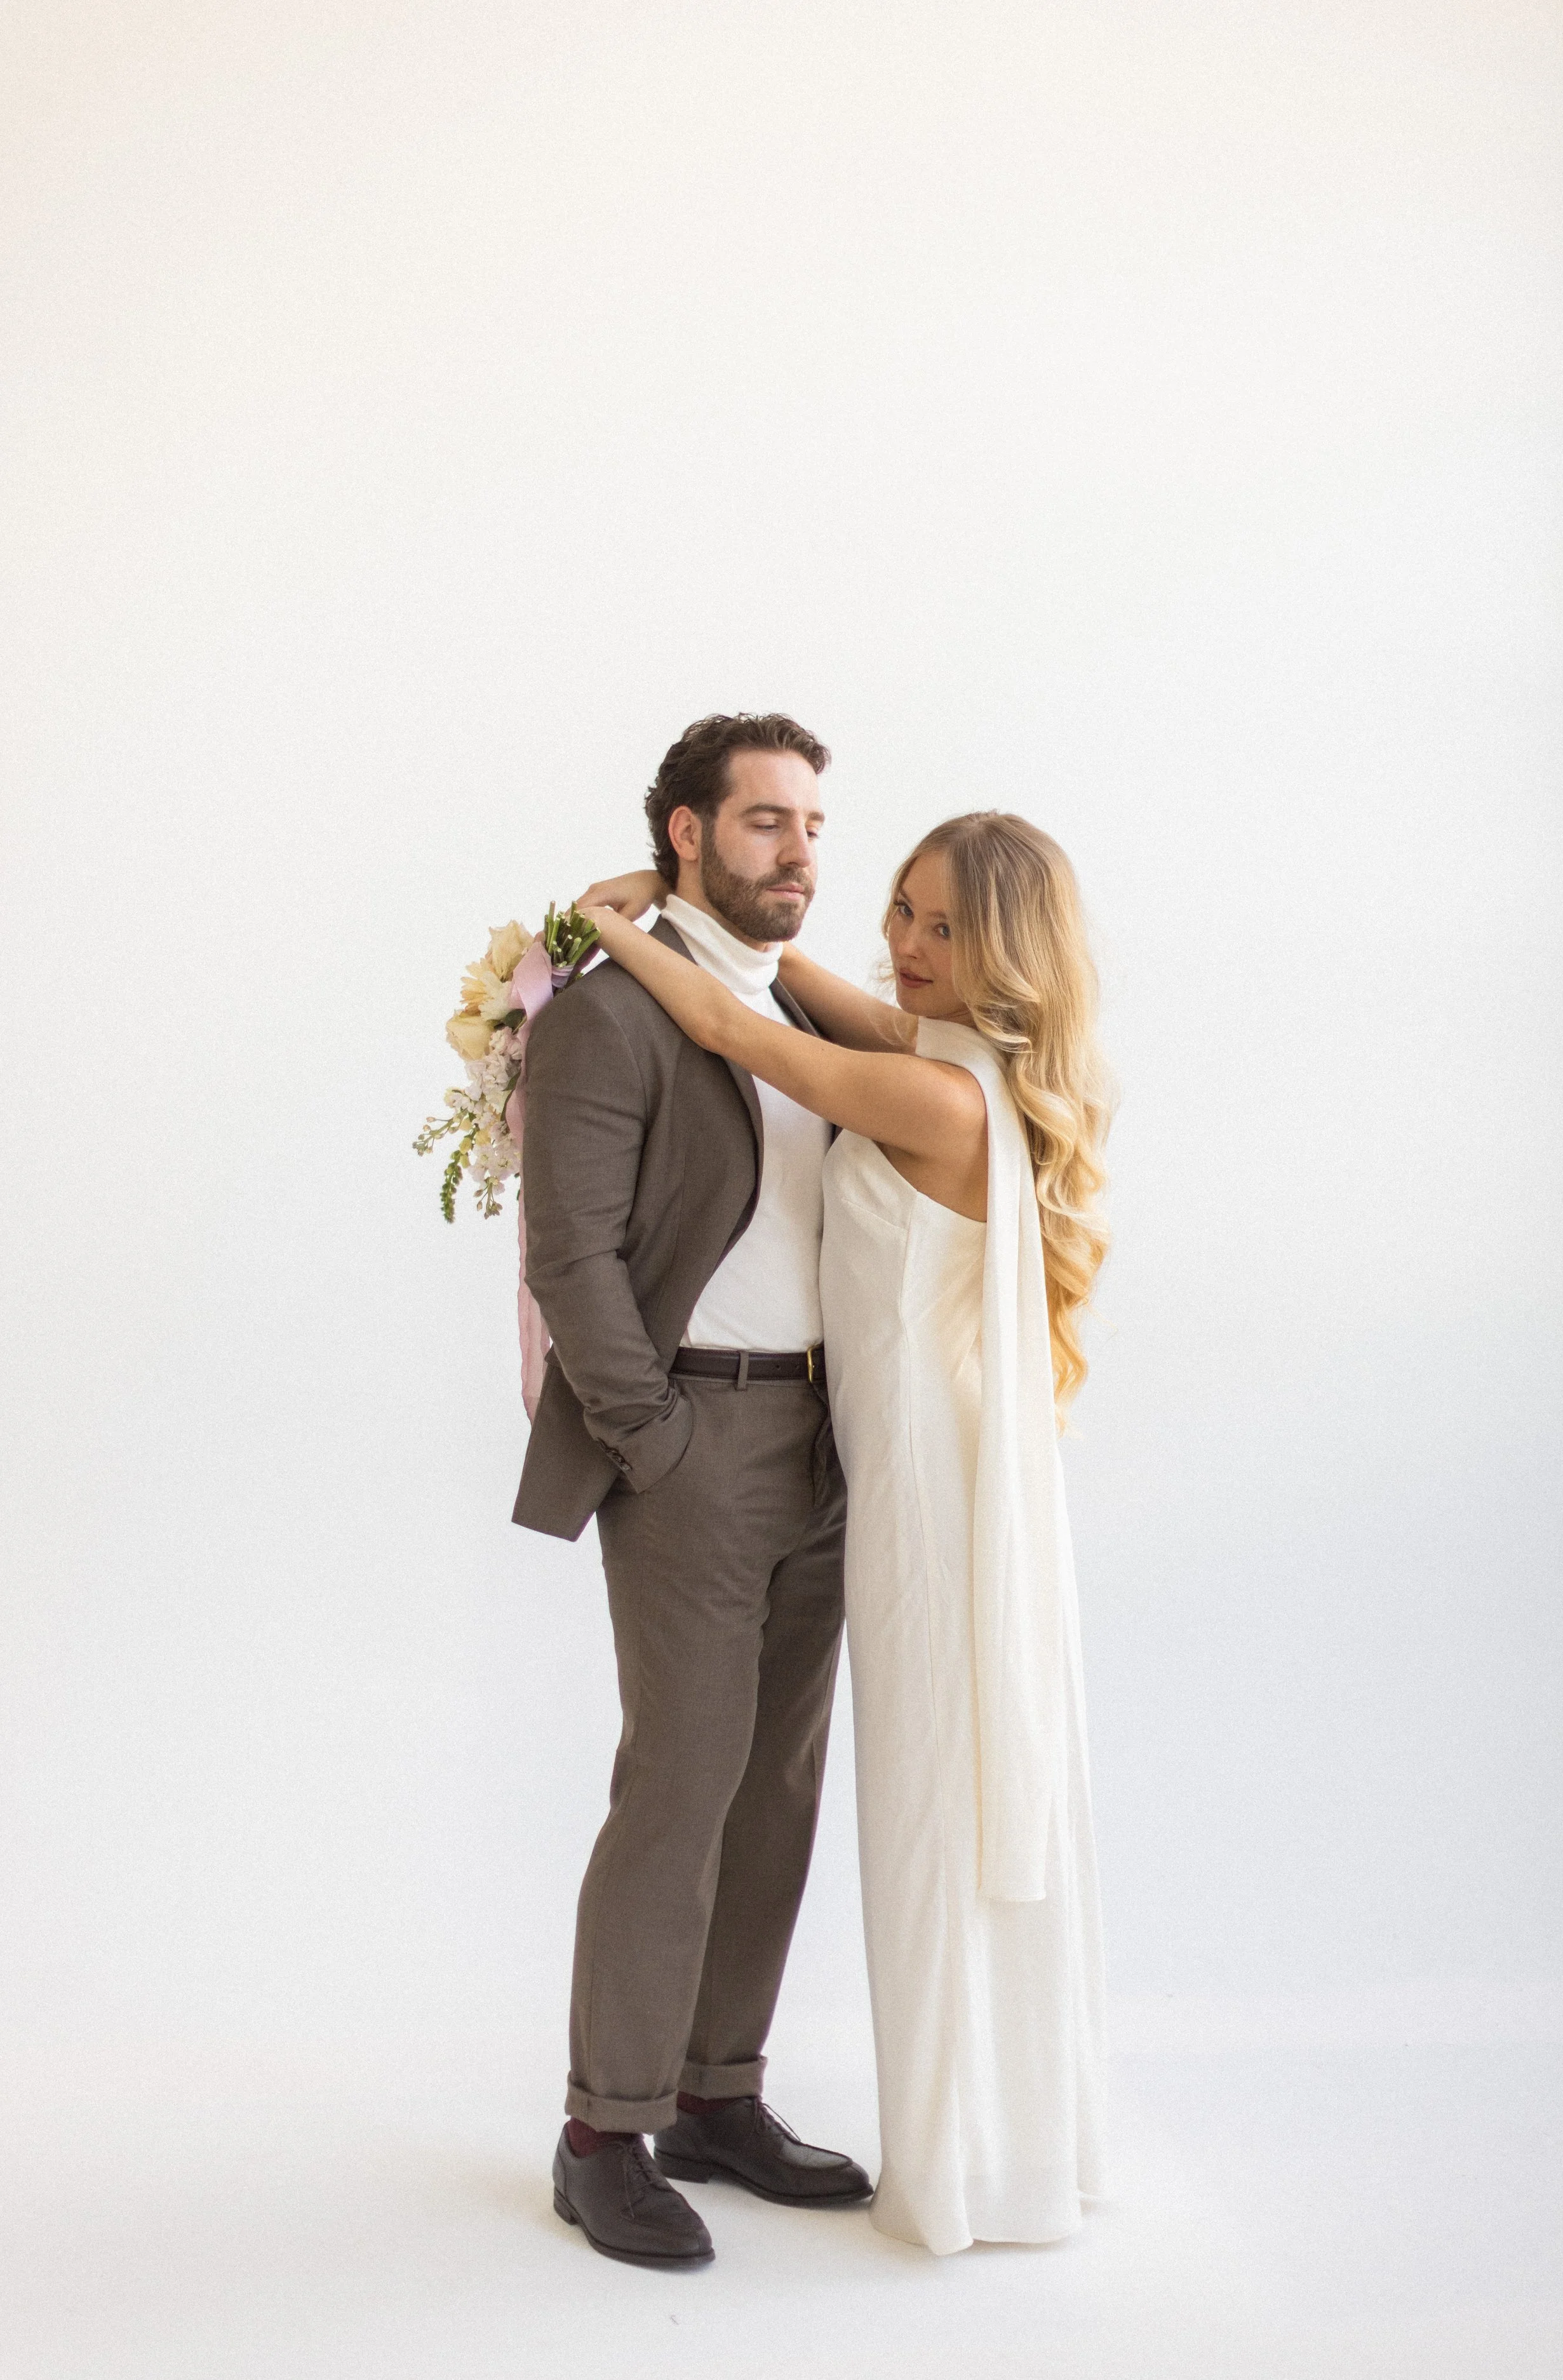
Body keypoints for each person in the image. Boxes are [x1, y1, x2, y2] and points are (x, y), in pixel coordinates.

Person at [582, 808, 1111, 2254]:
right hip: (882, 1475)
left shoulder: (941, 1099)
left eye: (943, 927)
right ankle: (933, 2130)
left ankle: (967, 2160)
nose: (907, 945)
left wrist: (602, 922)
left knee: (933, 1806)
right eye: (902, 908)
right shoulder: (941, 1054)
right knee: (899, 1795)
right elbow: (807, 987)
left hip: (933, 1501)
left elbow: (741, 1028)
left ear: (1005, 952)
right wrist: (692, 899)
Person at [514, 712, 872, 2272]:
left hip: (824, 1441)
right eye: (761, 823)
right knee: (681, 1781)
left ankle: (716, 2094)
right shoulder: (610, 1016)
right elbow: (569, 1252)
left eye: (808, 824)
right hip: (695, 1445)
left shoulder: (784, 994)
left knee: (776, 1785)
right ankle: (603, 2128)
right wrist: (649, 1438)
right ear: (683, 833)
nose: (796, 851)